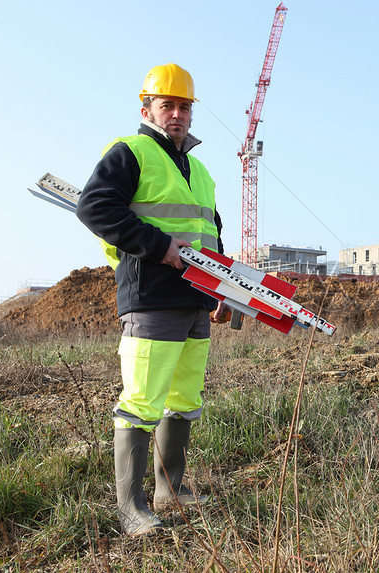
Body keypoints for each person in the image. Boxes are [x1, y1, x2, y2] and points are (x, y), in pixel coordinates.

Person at [76, 63, 228, 536]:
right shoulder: (131, 152)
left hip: (196, 302)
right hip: (151, 297)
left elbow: (211, 234)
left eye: (184, 106)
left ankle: (171, 489)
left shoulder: (199, 169)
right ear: (147, 108)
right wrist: (158, 247)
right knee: (142, 402)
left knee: (182, 400)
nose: (178, 114)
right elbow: (94, 206)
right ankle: (131, 509)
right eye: (169, 105)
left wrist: (221, 289)